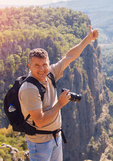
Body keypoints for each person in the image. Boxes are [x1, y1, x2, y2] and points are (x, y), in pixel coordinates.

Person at [19, 25, 99, 161]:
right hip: (40, 143)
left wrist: (88, 39)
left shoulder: (50, 73)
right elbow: (39, 121)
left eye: (44, 64)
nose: (42, 69)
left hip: (55, 137)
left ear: (49, 63)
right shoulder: (29, 89)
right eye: (36, 65)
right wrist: (60, 104)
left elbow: (70, 56)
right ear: (29, 67)